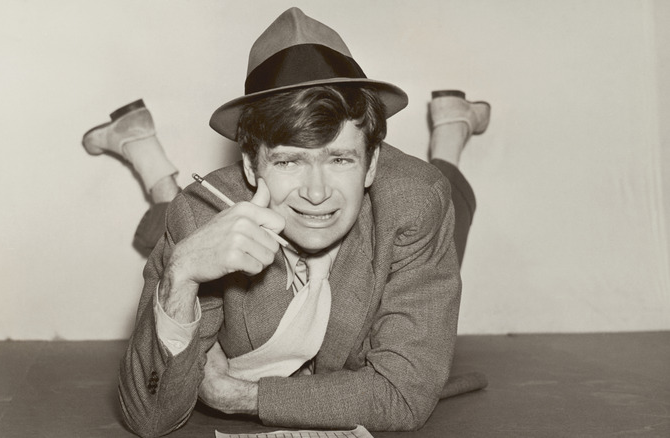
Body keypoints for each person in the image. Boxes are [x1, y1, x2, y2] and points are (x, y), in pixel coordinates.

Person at [83, 8, 490, 437]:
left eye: (340, 159)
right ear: (251, 168)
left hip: (406, 207)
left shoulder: (412, 202)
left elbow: (402, 396)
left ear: (370, 165)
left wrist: (237, 395)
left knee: (447, 201)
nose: (316, 192)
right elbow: (150, 418)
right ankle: (153, 169)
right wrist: (180, 273)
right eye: (289, 160)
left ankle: (452, 130)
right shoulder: (200, 211)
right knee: (179, 224)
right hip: (210, 207)